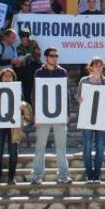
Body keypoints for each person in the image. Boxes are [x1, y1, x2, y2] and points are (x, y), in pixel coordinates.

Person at [30, 47, 71, 184]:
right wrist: (35, 113)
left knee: (61, 145)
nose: (55, 57)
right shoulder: (39, 73)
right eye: (52, 55)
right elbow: (34, 94)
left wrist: (67, 113)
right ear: (46, 57)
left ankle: (63, 174)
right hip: (43, 114)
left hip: (59, 114)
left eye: (56, 55)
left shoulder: (62, 72)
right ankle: (37, 174)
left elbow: (67, 94)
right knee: (40, 145)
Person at [0, 68, 28, 185]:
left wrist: (22, 106)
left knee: (13, 151)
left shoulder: (18, 90)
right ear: (1, 78)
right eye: (5, 76)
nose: (7, 78)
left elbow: (24, 105)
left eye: (10, 76)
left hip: (14, 125)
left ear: (13, 78)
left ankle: (11, 177)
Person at [78, 56, 105, 183]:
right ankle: (89, 174)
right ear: (91, 67)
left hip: (101, 118)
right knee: (87, 146)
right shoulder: (84, 81)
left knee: (100, 146)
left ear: (103, 66)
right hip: (87, 117)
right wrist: (80, 100)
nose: (98, 67)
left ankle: (97, 174)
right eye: (95, 65)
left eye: (100, 65)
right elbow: (79, 97)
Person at [16, 28, 42, 101]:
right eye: (22, 40)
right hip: (25, 69)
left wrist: (34, 52)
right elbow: (20, 59)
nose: (24, 41)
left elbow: (39, 54)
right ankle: (27, 103)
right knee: (27, 87)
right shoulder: (19, 47)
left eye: (26, 39)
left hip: (36, 66)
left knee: (37, 86)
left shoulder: (34, 43)